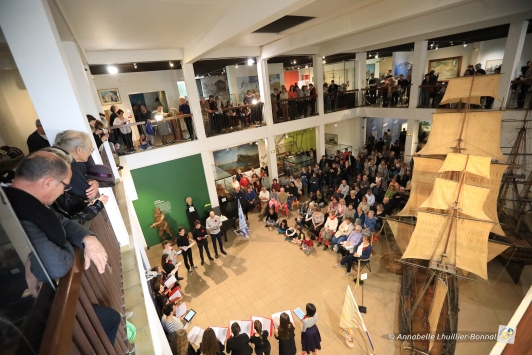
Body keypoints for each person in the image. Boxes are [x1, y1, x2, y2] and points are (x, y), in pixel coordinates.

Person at [3, 152, 120, 342]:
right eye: (64, 185)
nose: (65, 191)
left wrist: (88, 238)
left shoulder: (26, 200)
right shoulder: (16, 211)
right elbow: (58, 265)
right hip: (21, 321)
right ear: (48, 183)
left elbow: (63, 222)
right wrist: (67, 242)